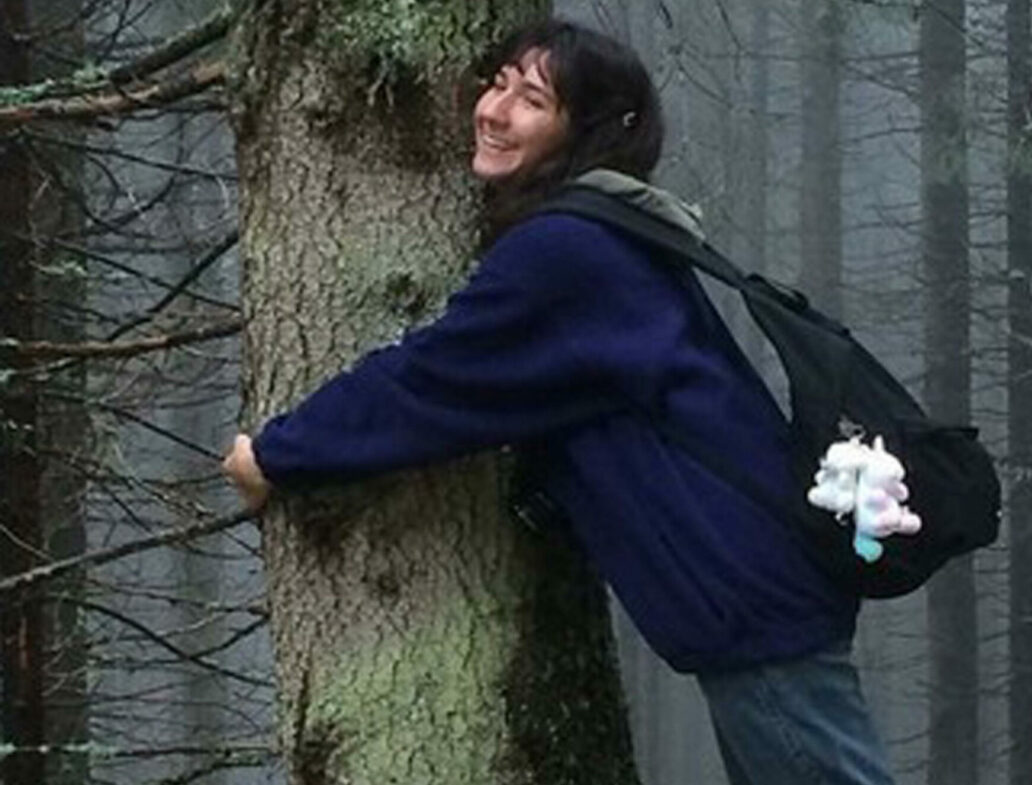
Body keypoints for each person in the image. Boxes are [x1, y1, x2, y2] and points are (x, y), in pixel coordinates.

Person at [223, 18, 896, 785]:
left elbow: (430, 379)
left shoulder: (568, 252)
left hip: (754, 600)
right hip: (759, 592)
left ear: (584, 132)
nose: (494, 109)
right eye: (498, 83)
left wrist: (276, 454)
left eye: (532, 100)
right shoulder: (609, 233)